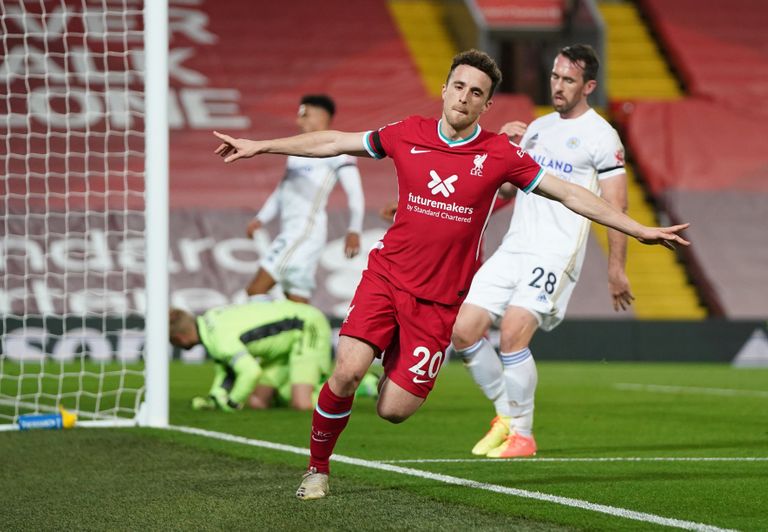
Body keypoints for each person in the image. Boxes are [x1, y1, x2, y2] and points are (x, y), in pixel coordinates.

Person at [212, 49, 689, 500]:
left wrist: (638, 229)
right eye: (458, 86)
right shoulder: (406, 132)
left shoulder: (501, 155)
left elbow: (570, 194)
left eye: (475, 92)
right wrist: (261, 146)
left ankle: (397, 354)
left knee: (393, 411)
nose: (464, 97)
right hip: (387, 277)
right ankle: (317, 469)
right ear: (444, 89)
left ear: (486, 104)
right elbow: (334, 141)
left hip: (439, 302)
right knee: (347, 371)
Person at [449, 45, 635, 459]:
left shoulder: (602, 138)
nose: (558, 86)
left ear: (588, 86)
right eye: (554, 76)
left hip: (555, 252)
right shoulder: (535, 128)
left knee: (513, 332)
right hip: (515, 247)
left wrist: (616, 268)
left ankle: (524, 435)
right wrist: (503, 149)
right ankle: (506, 416)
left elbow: (616, 207)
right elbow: (510, 189)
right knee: (462, 329)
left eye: (568, 80)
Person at [245, 94, 365, 303]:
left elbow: (355, 192)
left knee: (255, 291)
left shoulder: (339, 151)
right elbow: (283, 189)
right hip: (294, 230)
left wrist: (354, 229)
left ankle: (264, 334)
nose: (298, 121)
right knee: (296, 300)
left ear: (321, 117)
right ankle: (307, 335)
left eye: (304, 115)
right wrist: (262, 217)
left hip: (303, 231)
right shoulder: (297, 150)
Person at [169, 298, 376, 412]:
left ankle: (363, 385)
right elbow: (227, 369)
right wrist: (217, 397)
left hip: (306, 326)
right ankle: (303, 385)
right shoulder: (209, 322)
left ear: (179, 337)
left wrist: (232, 402)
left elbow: (250, 371)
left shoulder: (218, 340)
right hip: (283, 345)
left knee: (301, 403)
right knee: (258, 402)